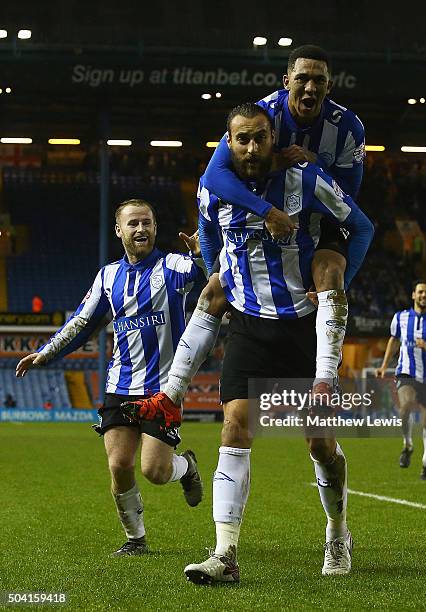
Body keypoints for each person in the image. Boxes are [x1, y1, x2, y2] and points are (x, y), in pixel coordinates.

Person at [123, 104, 374, 582]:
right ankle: (224, 553)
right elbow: (210, 238)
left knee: (320, 445)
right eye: (243, 140)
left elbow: (360, 224)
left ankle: (337, 531)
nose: (252, 148)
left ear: (272, 139)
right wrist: (217, 271)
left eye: (260, 138)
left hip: (302, 323)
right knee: (235, 429)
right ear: (229, 143)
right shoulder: (212, 191)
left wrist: (342, 277)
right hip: (250, 325)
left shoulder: (305, 179)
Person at [153, 45, 366, 412]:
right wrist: (267, 210)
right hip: (262, 213)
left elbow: (349, 200)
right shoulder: (261, 115)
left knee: (329, 269)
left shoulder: (347, 128)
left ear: (329, 87)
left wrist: (312, 168)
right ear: (287, 83)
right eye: (302, 79)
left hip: (317, 210)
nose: (310, 88)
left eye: (319, 81)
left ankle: (325, 380)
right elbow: (215, 175)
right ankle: (170, 396)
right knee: (216, 287)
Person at [15, 199, 205, 556]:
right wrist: (46, 353)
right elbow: (83, 322)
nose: (141, 229)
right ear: (119, 230)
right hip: (120, 384)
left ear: (155, 227)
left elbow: (205, 274)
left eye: (147, 222)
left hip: (164, 388)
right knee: (119, 464)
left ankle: (187, 466)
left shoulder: (172, 266)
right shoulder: (108, 276)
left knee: (155, 471)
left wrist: (201, 252)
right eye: (132, 224)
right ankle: (136, 539)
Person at [376, 281, 426, 480]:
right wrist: (384, 366)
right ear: (413, 295)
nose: (423, 295)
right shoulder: (401, 317)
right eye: (420, 292)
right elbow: (394, 340)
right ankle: (408, 444)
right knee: (406, 405)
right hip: (406, 372)